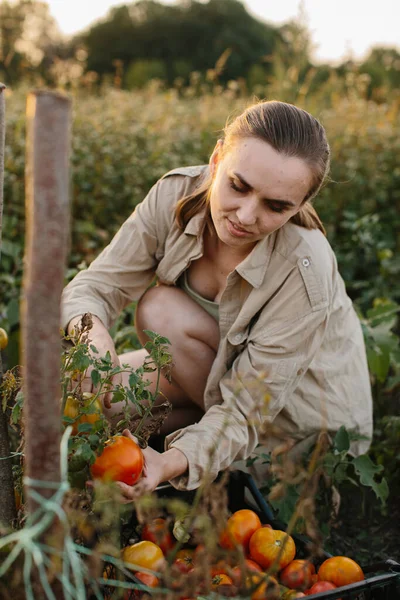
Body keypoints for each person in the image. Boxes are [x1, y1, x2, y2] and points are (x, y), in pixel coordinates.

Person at [61, 100, 373, 502]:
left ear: (301, 205)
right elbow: (93, 287)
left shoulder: (304, 266)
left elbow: (245, 413)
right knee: (90, 401)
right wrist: (97, 349)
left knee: (160, 311)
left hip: (292, 424)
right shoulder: (176, 194)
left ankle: (193, 457)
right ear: (216, 160)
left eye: (276, 206)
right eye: (238, 186)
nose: (245, 215)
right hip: (210, 375)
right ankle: (186, 442)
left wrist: (166, 463)